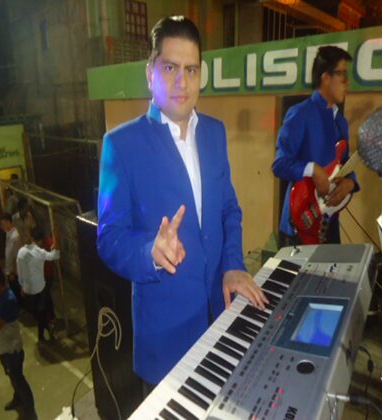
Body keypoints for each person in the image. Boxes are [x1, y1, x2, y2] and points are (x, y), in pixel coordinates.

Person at [97, 16, 267, 389]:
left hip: (219, 311)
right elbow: (109, 238)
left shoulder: (214, 133)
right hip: (166, 338)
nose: (182, 81)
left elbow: (228, 210)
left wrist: (233, 265)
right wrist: (149, 252)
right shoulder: (121, 144)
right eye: (170, 67)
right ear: (150, 73)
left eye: (191, 69)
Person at [272, 45, 358, 246]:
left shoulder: (341, 122)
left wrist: (350, 184)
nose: (347, 82)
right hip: (300, 222)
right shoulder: (300, 114)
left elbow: (345, 163)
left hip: (329, 223)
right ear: (326, 78)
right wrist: (312, 169)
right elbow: (279, 164)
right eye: (342, 75)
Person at [0, 268, 37, 419]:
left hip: (11, 350)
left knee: (18, 379)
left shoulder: (6, 301)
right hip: (4, 348)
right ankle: (18, 398)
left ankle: (30, 410)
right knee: (12, 377)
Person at [17, 227, 60, 341]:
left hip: (29, 288)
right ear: (40, 240)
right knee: (40, 311)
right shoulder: (39, 252)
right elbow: (55, 256)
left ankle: (42, 334)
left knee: (38, 312)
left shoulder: (22, 252)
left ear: (32, 238)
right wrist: (55, 246)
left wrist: (21, 285)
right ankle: (48, 328)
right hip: (39, 287)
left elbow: (20, 271)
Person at [0, 213, 22, 302]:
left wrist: (13, 272)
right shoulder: (8, 233)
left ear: (8, 222)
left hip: (14, 273)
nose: (1, 227)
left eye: (2, 224)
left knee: (16, 293)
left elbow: (17, 256)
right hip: (9, 270)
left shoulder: (15, 237)